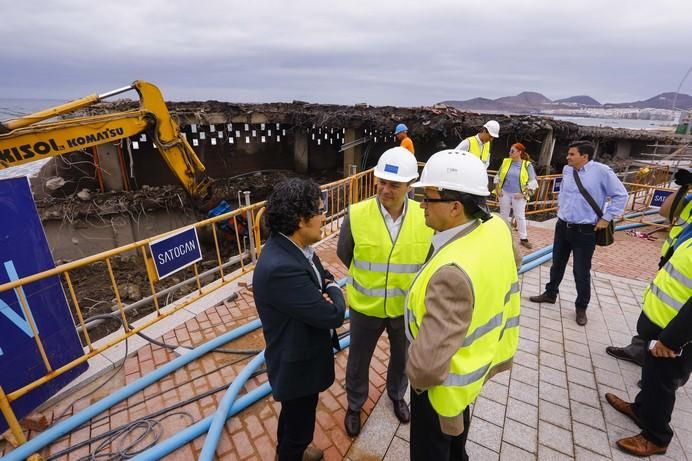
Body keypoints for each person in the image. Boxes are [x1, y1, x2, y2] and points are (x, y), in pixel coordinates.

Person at [405, 150, 521, 461]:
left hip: (441, 387)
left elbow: (427, 367)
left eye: (428, 198)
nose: (421, 205)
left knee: (433, 448)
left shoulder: (452, 273)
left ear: (456, 207)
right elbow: (514, 264)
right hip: (475, 366)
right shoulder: (496, 226)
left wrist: (414, 373)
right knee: (457, 443)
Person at [337, 146, 433, 437]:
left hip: (404, 308)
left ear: (409, 186)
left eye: (394, 184)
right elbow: (345, 254)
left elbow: (429, 259)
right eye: (382, 181)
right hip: (365, 306)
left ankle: (396, 394)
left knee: (402, 358)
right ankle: (355, 404)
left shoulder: (424, 217)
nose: (385, 188)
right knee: (358, 360)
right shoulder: (357, 214)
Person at [253, 178, 346, 461]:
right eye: (319, 210)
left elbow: (319, 270)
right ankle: (292, 453)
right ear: (299, 219)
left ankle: (294, 447)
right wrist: (332, 289)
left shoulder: (295, 246)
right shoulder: (281, 267)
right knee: (298, 423)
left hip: (300, 357)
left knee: (296, 416)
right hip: (297, 366)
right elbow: (332, 314)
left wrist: (326, 284)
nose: (324, 215)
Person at [603, 238, 692, 457]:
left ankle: (656, 437)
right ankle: (641, 410)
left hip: (674, 336)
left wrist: (672, 340)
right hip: (661, 324)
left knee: (662, 383)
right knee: (651, 376)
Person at [530, 140, 628, 326]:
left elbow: (621, 195)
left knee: (581, 270)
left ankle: (581, 306)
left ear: (584, 156)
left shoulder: (601, 172)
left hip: (585, 230)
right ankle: (550, 293)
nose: (567, 157)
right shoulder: (568, 171)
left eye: (572, 154)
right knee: (557, 263)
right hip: (563, 226)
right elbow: (565, 195)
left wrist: (606, 218)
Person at [606, 168, 692, 369]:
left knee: (675, 322)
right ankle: (640, 352)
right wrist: (684, 187)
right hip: (672, 260)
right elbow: (665, 211)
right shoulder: (688, 200)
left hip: (685, 276)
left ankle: (661, 374)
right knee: (654, 306)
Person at [494, 143, 538, 248]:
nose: (510, 153)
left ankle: (524, 238)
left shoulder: (527, 165)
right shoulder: (506, 162)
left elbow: (533, 182)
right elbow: (498, 176)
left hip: (518, 195)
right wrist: (497, 189)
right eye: (510, 150)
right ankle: (503, 235)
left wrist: (523, 194)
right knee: (503, 214)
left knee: (519, 216)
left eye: (512, 151)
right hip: (504, 192)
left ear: (519, 152)